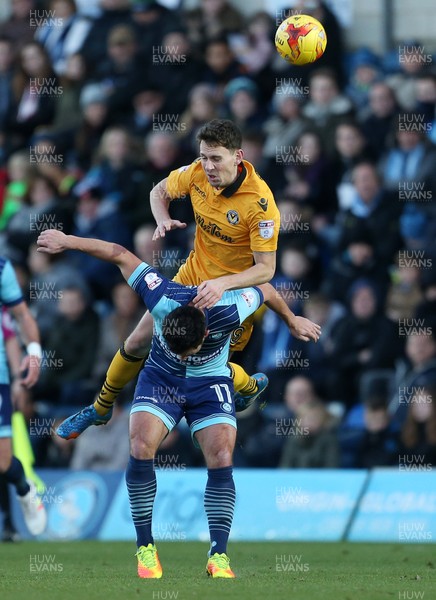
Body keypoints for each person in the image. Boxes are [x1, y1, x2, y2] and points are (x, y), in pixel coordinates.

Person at [36, 227, 317, 578]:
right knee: (139, 446)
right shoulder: (162, 296)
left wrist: (291, 321)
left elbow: (267, 289)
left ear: (203, 335)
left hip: (208, 383)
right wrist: (69, 241)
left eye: (191, 351)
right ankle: (146, 549)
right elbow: (117, 251)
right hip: (161, 380)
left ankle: (219, 555)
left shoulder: (229, 309)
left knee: (222, 455)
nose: (187, 355)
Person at [73, 119, 321, 436]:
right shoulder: (196, 173)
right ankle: (100, 408)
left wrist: (224, 285)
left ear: (238, 156)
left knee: (204, 365)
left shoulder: (261, 206)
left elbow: (265, 271)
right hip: (190, 277)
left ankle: (246, 387)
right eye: (204, 156)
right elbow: (158, 191)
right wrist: (162, 219)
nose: (208, 165)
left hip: (230, 291)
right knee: (137, 340)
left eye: (216, 158)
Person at [0, 256, 46, 537]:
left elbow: (20, 316)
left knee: (3, 461)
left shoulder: (2, 268)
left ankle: (24, 488)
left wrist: (35, 354)